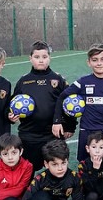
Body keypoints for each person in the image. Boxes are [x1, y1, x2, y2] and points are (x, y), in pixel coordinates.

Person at [54, 44, 103, 162]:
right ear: (89, 62)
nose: (99, 63)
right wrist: (57, 121)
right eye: (95, 60)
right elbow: (62, 97)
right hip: (88, 130)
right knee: (85, 164)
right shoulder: (83, 82)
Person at [11, 40, 74, 171]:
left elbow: (69, 104)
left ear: (49, 58)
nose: (41, 60)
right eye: (37, 57)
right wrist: (11, 115)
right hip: (29, 135)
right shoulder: (23, 81)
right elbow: (12, 103)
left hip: (54, 134)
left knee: (57, 170)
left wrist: (70, 126)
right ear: (30, 58)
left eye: (44, 57)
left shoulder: (58, 79)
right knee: (27, 171)